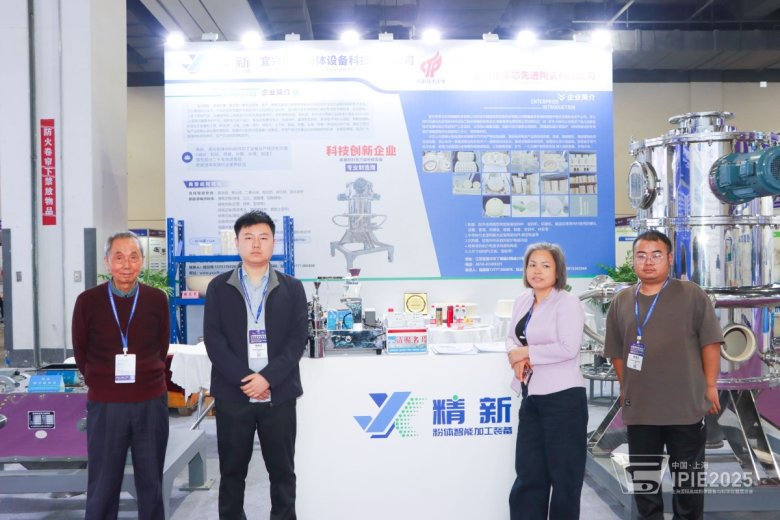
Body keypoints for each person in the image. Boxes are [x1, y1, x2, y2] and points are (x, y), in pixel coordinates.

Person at [604, 230, 723, 520]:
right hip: (641, 411)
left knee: (688, 486)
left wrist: (710, 385)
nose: (648, 262)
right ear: (633, 260)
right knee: (645, 486)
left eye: (656, 255)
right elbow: (617, 352)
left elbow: (710, 343)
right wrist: (625, 386)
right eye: (641, 256)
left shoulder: (691, 295)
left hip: (685, 408)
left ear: (669, 259)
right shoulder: (622, 301)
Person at [204, 210, 308, 520]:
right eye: (248, 237)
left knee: (283, 473)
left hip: (279, 395)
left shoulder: (292, 287)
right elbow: (214, 340)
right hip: (234, 396)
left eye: (263, 237)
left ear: (274, 243)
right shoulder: (219, 287)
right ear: (237, 243)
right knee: (232, 473)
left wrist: (267, 379)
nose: (256, 244)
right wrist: (247, 379)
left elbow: (297, 340)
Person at [72, 231, 170, 520]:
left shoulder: (156, 299)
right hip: (106, 404)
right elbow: (81, 351)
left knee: (151, 482)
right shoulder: (88, 301)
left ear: (142, 260)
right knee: (103, 483)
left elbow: (161, 346)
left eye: (133, 257)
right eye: (119, 257)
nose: (126, 265)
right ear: (107, 262)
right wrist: (103, 382)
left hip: (150, 402)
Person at [506, 242, 588, 520]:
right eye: (532, 265)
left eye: (545, 265)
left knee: (565, 478)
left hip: (563, 399)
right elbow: (511, 338)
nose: (537, 271)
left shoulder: (567, 302)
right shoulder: (523, 300)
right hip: (531, 397)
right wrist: (517, 357)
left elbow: (568, 348)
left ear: (558, 271)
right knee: (529, 473)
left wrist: (526, 352)